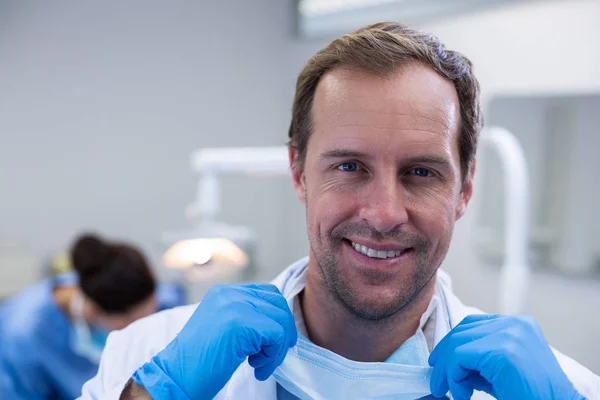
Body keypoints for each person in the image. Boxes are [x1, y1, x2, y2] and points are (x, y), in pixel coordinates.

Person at [80, 22, 600, 400]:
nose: (383, 213)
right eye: (350, 166)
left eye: (421, 172)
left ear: (464, 189)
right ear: (299, 170)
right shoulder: (147, 362)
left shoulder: (562, 390)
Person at [0, 233, 186, 399]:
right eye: (133, 324)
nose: (146, 326)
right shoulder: (20, 337)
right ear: (94, 312)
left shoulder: (126, 288)